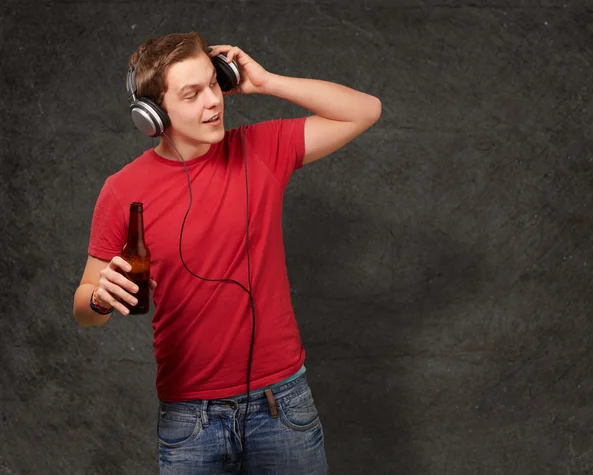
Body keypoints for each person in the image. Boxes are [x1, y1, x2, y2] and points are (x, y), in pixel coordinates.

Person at [72, 31, 381, 474]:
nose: (213, 101)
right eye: (192, 94)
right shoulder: (122, 192)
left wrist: (267, 82)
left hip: (281, 406)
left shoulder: (261, 149)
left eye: (214, 84)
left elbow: (366, 110)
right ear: (153, 115)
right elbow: (86, 308)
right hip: (189, 420)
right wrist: (101, 296)